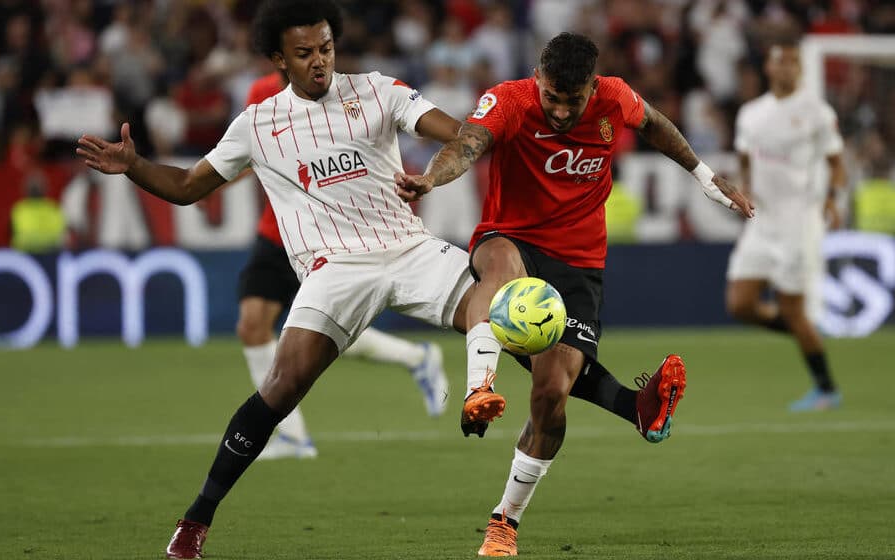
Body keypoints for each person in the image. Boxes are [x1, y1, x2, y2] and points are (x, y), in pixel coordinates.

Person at [77, 2, 476, 557]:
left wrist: (439, 168)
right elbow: (188, 187)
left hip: (409, 248)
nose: (320, 61)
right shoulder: (258, 124)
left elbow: (461, 134)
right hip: (335, 269)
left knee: (512, 315)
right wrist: (136, 166)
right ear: (278, 60)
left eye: (326, 48)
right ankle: (195, 521)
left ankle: (600, 399)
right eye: (304, 53)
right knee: (281, 385)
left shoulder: (378, 90)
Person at [396, 32, 754, 556]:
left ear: (593, 88)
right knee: (498, 272)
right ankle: (479, 387)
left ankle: (507, 518)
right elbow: (467, 145)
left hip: (579, 263)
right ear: (537, 79)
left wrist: (702, 174)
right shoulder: (510, 100)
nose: (561, 112)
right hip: (510, 235)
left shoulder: (615, 97)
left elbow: (655, 123)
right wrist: (431, 179)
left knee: (551, 394)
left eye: (574, 100)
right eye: (552, 98)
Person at [236, 71, 450, 460]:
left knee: (321, 335)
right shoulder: (262, 92)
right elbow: (252, 152)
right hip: (279, 233)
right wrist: (213, 179)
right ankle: (294, 436)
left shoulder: (347, 90)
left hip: (331, 238)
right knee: (255, 327)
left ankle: (417, 358)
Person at [725, 40, 846, 412]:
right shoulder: (751, 114)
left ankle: (826, 388)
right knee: (740, 303)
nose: (787, 67)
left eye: (793, 61)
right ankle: (806, 332)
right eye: (781, 61)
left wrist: (832, 199)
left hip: (799, 220)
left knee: (792, 307)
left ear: (800, 68)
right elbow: (745, 159)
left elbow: (837, 164)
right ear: (768, 67)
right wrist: (744, 189)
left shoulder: (817, 112)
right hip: (763, 220)